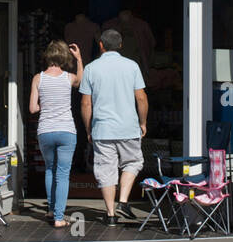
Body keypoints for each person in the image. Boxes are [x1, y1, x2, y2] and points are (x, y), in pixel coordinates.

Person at [79, 28, 148, 224]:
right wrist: (142, 122)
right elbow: (141, 98)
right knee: (133, 162)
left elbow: (85, 103)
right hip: (128, 127)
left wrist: (88, 129)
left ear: (100, 45)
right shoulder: (132, 66)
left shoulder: (91, 69)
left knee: (105, 170)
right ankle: (123, 201)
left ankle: (110, 214)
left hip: (102, 129)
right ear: (120, 45)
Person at [29, 40, 83, 228]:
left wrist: (47, 104)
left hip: (46, 131)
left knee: (50, 169)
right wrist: (79, 59)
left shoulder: (38, 78)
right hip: (67, 130)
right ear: (63, 57)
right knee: (63, 174)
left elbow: (33, 108)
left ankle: (51, 210)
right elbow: (80, 81)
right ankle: (59, 217)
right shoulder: (68, 77)